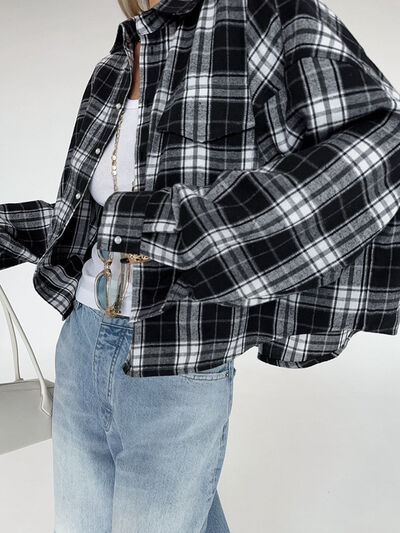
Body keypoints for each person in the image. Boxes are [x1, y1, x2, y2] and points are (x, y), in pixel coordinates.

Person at [1, 0, 400, 531]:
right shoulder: (116, 64)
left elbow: (382, 150)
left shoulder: (259, 15)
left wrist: (167, 225)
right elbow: (88, 221)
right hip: (83, 337)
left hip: (176, 359)